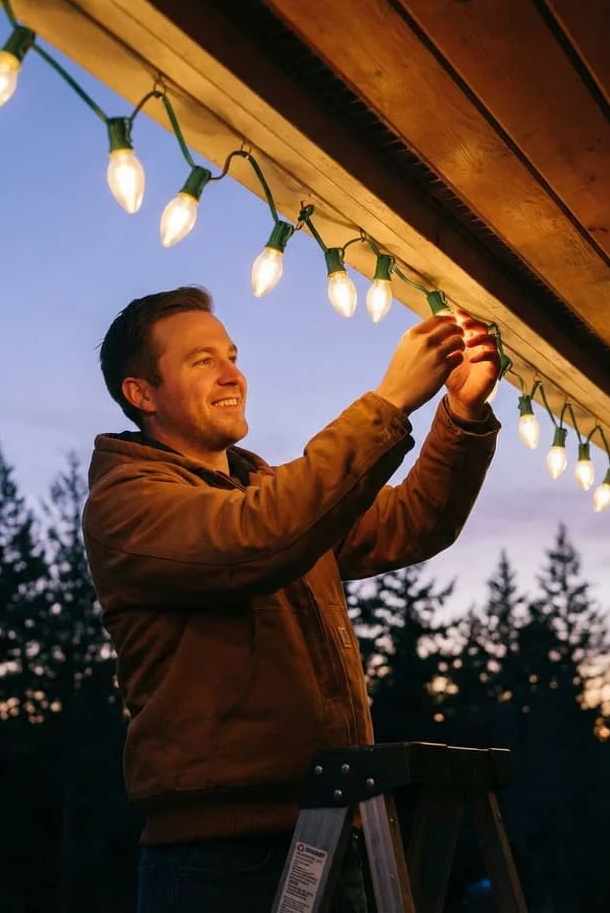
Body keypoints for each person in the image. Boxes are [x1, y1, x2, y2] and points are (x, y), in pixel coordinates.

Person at [83, 286, 501, 913]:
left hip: (332, 825)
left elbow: (412, 522)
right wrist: (389, 403)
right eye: (202, 361)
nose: (233, 374)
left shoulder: (273, 493)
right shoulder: (128, 504)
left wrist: (461, 415)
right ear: (141, 393)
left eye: (231, 354)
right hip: (218, 863)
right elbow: (257, 538)